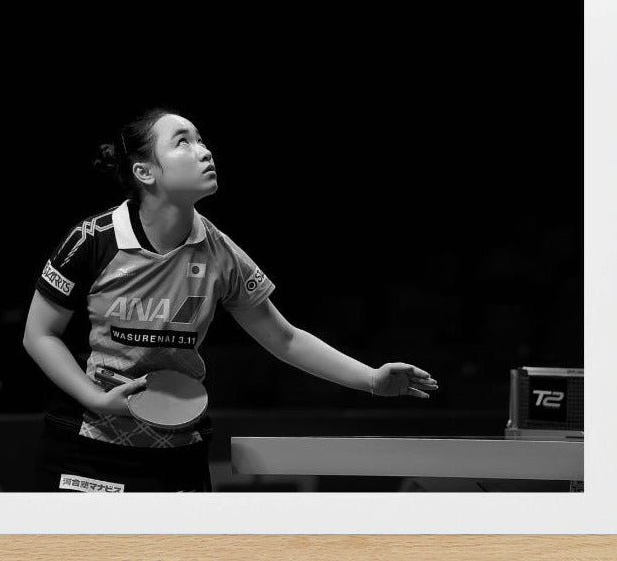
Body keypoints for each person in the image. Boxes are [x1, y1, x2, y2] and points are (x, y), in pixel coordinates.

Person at [23, 106, 438, 492]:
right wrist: (97, 399)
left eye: (201, 140)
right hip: (88, 444)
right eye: (182, 142)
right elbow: (39, 334)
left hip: (176, 451)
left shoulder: (219, 253)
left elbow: (284, 338)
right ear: (145, 171)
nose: (204, 151)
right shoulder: (93, 240)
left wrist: (370, 379)